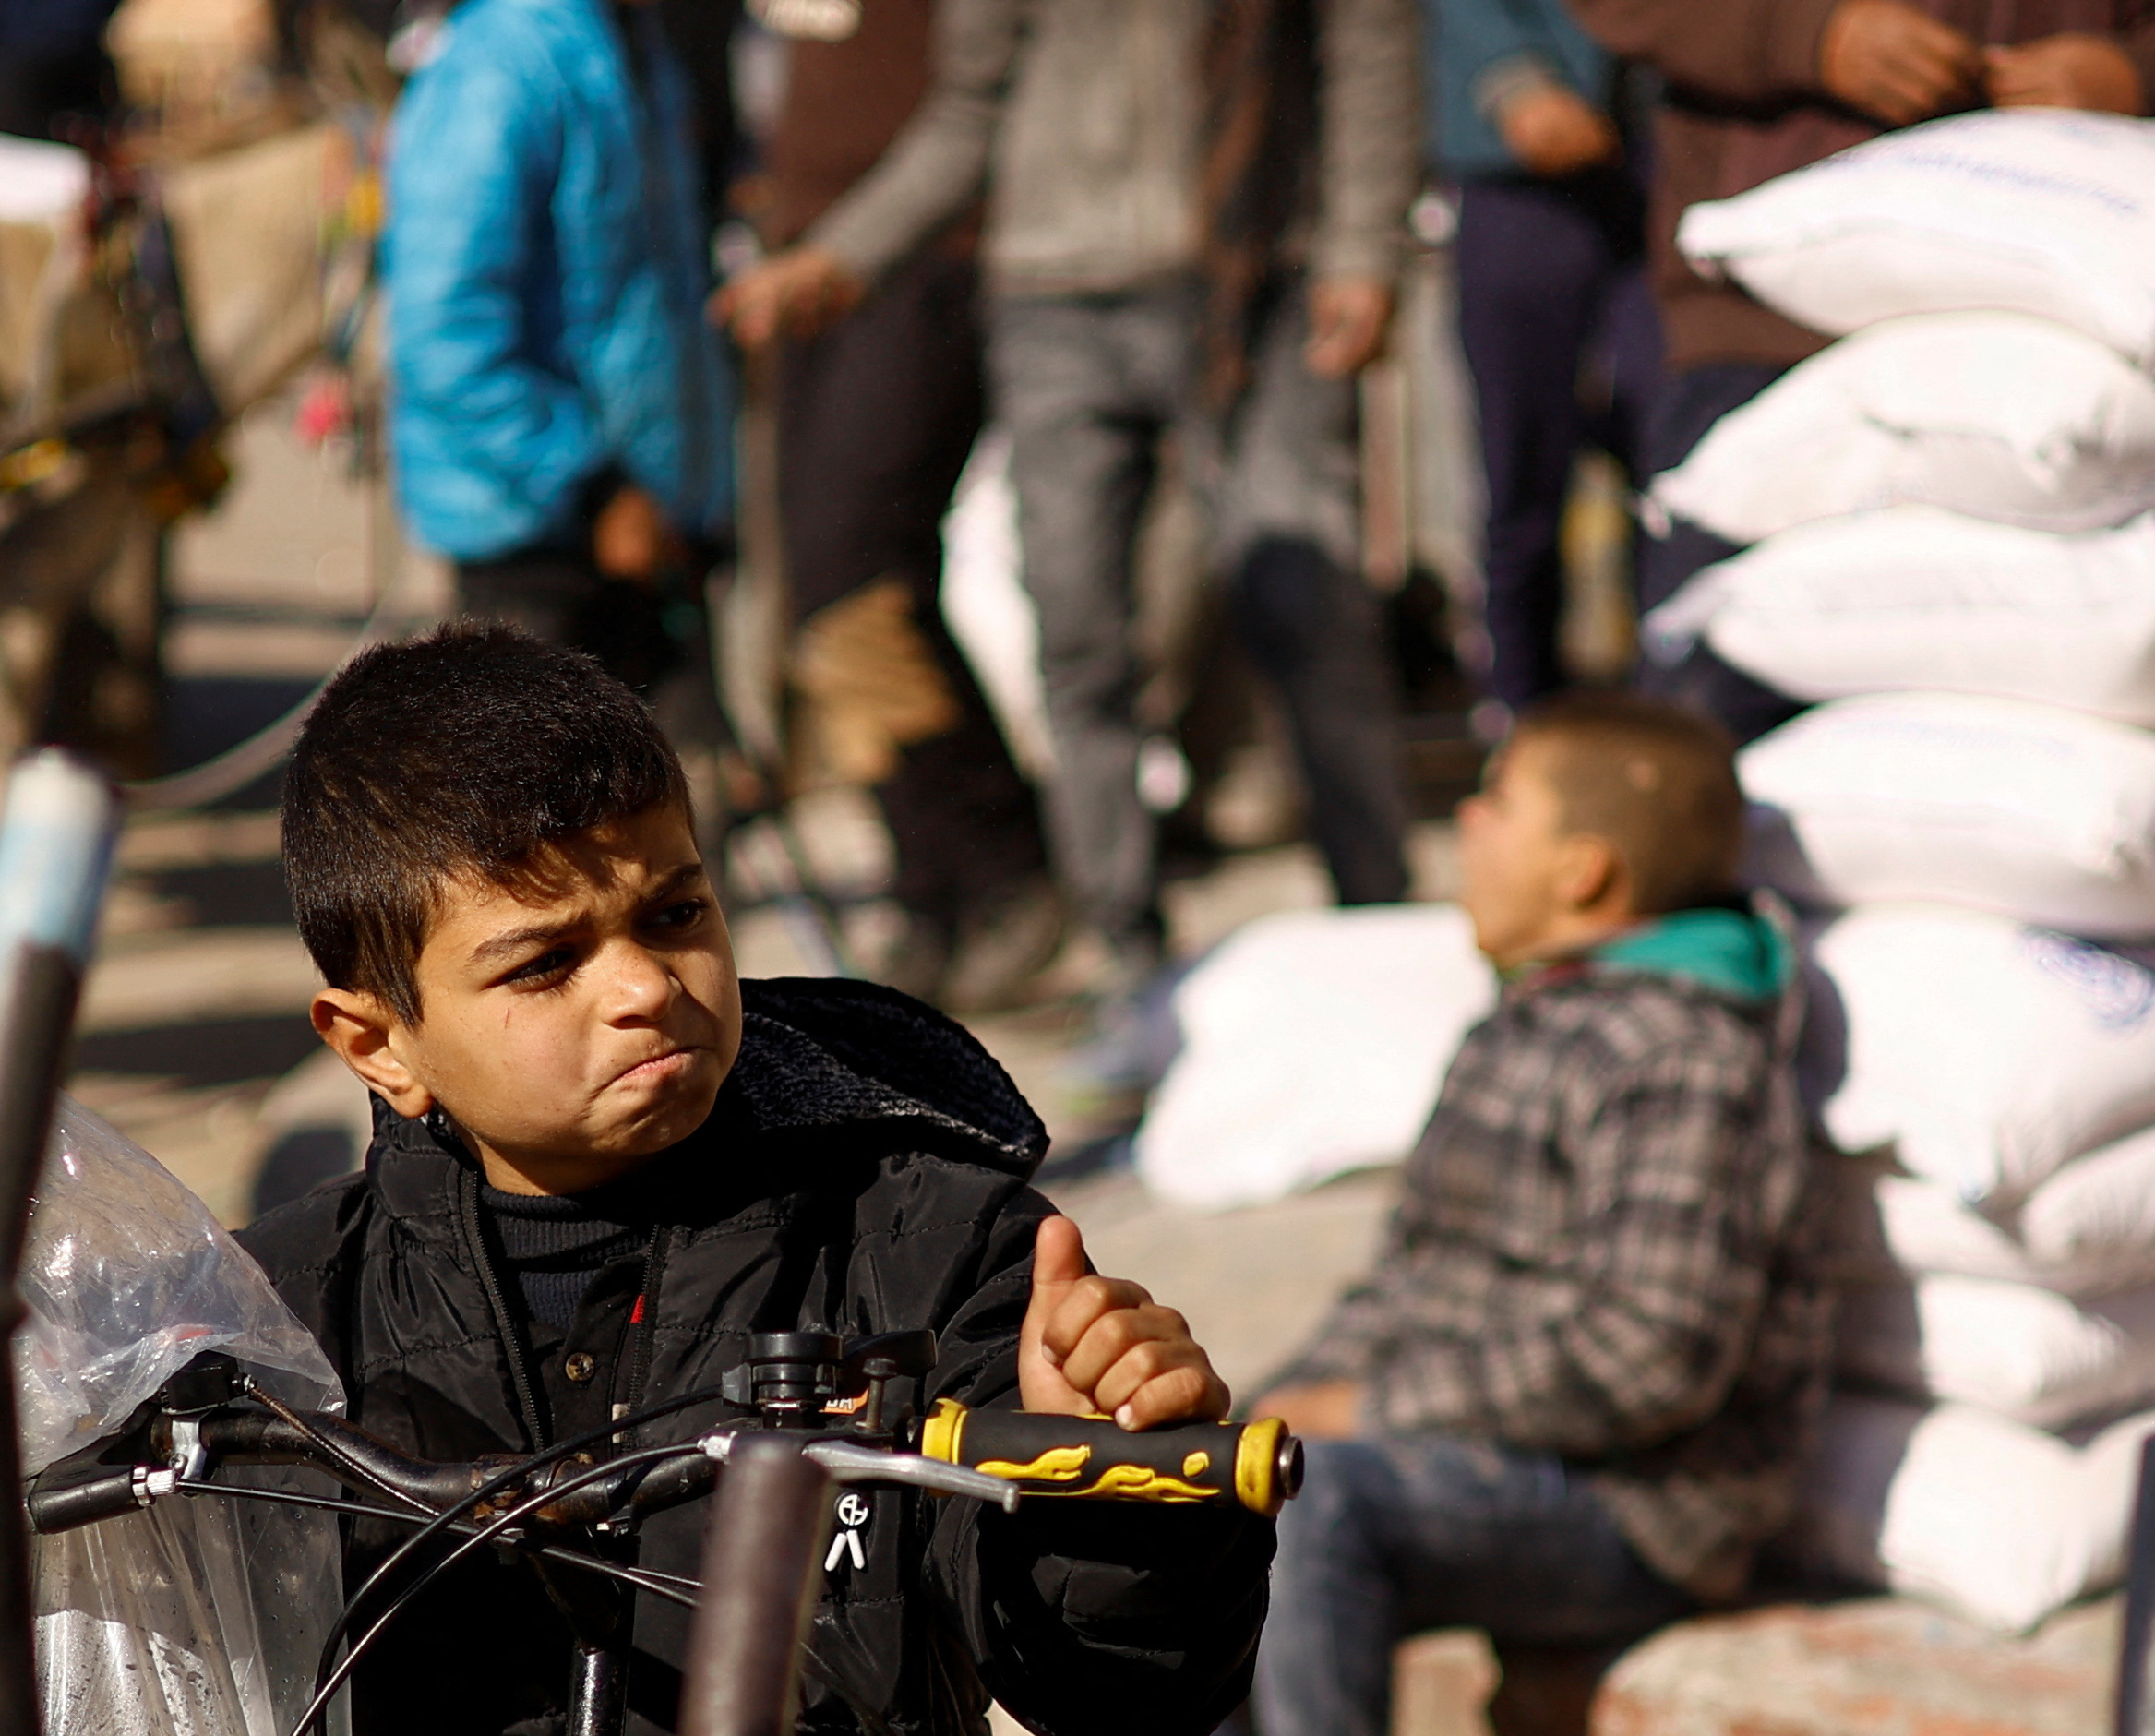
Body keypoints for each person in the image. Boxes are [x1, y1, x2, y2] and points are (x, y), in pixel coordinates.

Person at [245, 622, 1275, 1736]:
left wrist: (1122, 1473)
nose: (641, 984)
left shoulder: (920, 1247)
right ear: (375, 1041)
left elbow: (1119, 1689)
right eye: (539, 964)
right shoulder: (284, 1325)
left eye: (674, 912)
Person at [1100, 689, 1832, 1736]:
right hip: (1471, 1448)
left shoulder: (1686, 1056)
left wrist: (1366, 1413)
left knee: (1323, 1496)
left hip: (1638, 1502)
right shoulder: (1528, 1022)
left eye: (1495, 803)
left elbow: (1652, 1352)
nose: (1467, 826)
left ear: (1585, 871)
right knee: (1179, 1471)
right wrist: (1258, 1411)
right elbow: (1405, 1287)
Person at [713, 0, 1421, 1096]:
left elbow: (1368, 52)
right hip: (1053, 294)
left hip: (1251, 276)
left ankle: (1384, 940)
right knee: (1079, 640)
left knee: (1302, 605)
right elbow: (967, 111)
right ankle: (1131, 970)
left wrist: (1365, 249)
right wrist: (844, 258)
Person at [1562, 0, 2155, 741]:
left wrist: (2147, 72)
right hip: (1764, 321)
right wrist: (1809, 34)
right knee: (1709, 719)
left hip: (2075, 317)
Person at [733, 0, 1070, 1012]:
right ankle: (929, 885)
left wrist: (851, 250)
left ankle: (1004, 864)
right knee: (821, 609)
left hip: (916, 258)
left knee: (860, 579)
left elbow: (971, 103)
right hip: (803, 257)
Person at [381, 0, 734, 694]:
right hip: (537, 537)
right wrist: (592, 490)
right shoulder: (495, 64)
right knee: (540, 797)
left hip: (650, 528)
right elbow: (442, 333)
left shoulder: (640, 42)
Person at [1427, 0, 1662, 717]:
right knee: (1521, 466)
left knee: (1673, 450)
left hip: (1673, 141)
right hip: (1517, 155)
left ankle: (1672, 709)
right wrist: (1513, 80)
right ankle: (1518, 711)